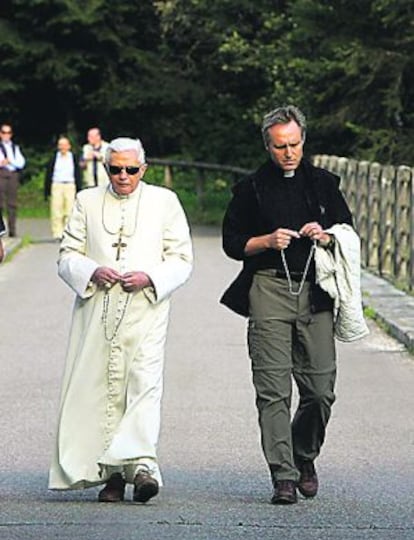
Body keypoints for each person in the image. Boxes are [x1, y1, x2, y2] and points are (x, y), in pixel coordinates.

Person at [221, 105, 356, 505]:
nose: (289, 153)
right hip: (268, 289)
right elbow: (232, 243)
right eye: (280, 146)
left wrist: (326, 235)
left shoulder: (323, 184)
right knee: (273, 388)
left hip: (315, 291)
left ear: (303, 141)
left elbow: (347, 231)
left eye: (294, 144)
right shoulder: (251, 189)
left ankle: (303, 455)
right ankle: (282, 473)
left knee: (319, 391)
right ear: (268, 146)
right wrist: (265, 241)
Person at [49, 137, 193, 504]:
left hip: (146, 307)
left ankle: (143, 466)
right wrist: (91, 270)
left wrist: (151, 278)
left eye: (131, 169)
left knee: (143, 383)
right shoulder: (87, 201)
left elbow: (181, 259)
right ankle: (112, 474)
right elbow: (67, 255)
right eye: (116, 169)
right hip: (98, 309)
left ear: (143, 169)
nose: (123, 176)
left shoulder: (164, 202)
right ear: (106, 168)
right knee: (104, 389)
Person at [44, 136, 82, 240]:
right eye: (60, 145)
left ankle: (67, 233)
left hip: (70, 185)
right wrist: (46, 191)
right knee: (56, 210)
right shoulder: (54, 158)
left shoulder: (73, 157)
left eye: (65, 145)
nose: (63, 147)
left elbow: (78, 174)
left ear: (69, 146)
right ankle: (57, 233)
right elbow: (48, 175)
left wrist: (79, 188)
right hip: (57, 185)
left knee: (69, 210)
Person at [0, 123, 26, 237]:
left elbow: (21, 163)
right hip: (1, 173)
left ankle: (12, 230)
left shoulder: (15, 148)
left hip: (12, 174)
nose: (6, 135)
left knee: (12, 203)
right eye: (4, 132)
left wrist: (10, 161)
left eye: (8, 133)